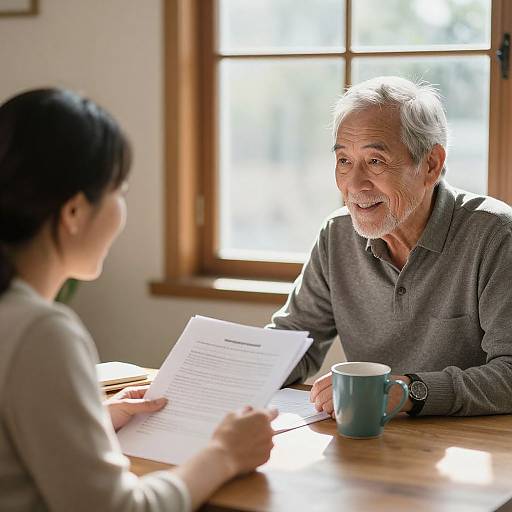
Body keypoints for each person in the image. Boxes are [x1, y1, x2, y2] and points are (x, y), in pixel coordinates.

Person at [0, 89, 277, 512]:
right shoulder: (40, 331)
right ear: (74, 212)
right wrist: (223, 454)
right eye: (119, 191)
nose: (122, 210)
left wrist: (92, 420)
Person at [269, 76, 512, 418]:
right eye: (344, 161)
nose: (353, 185)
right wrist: (223, 369)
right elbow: (292, 341)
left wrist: (407, 392)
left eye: (375, 161)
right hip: (365, 437)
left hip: (471, 450)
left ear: (431, 164)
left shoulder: (495, 234)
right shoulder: (337, 234)